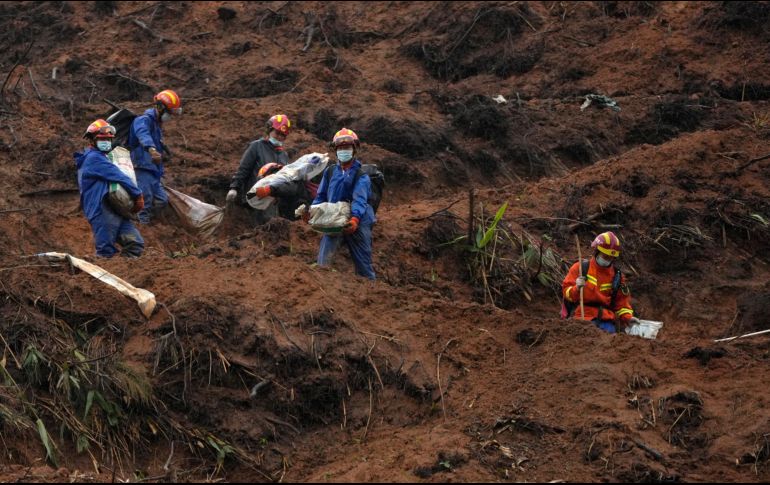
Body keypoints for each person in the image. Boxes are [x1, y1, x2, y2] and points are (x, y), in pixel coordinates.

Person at [311, 128, 376, 280]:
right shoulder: (330, 172)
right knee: (323, 262)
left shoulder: (361, 175)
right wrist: (312, 212)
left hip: (358, 220)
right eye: (340, 148)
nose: (343, 151)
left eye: (347, 147)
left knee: (363, 264)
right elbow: (320, 196)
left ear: (354, 150)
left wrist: (354, 219)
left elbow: (360, 200)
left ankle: (370, 289)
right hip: (335, 217)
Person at [75, 120, 145, 258]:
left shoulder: (103, 157)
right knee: (106, 251)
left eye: (108, 139)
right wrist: (138, 195)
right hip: (101, 209)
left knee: (135, 244)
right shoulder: (93, 158)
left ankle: (126, 275)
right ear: (91, 140)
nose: (106, 142)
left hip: (115, 207)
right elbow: (119, 175)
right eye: (102, 139)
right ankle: (100, 276)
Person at [561, 231, 636, 333]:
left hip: (606, 322)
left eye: (611, 257)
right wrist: (576, 288)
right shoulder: (580, 268)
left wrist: (628, 318)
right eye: (605, 256)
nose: (608, 259)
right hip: (582, 318)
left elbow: (621, 303)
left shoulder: (617, 276)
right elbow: (566, 293)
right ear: (597, 251)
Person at [127, 89, 182, 224]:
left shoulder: (157, 125)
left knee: (161, 199)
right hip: (142, 168)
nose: (170, 116)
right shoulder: (142, 120)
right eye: (169, 112)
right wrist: (151, 150)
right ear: (160, 107)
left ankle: (151, 225)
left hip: (153, 171)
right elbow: (143, 135)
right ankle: (142, 227)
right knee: (144, 200)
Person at [226, 114, 291, 224]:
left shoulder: (283, 155)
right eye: (277, 133)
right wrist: (234, 188)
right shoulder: (257, 147)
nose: (279, 137)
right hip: (254, 198)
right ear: (269, 130)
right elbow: (244, 169)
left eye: (283, 135)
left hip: (271, 201)